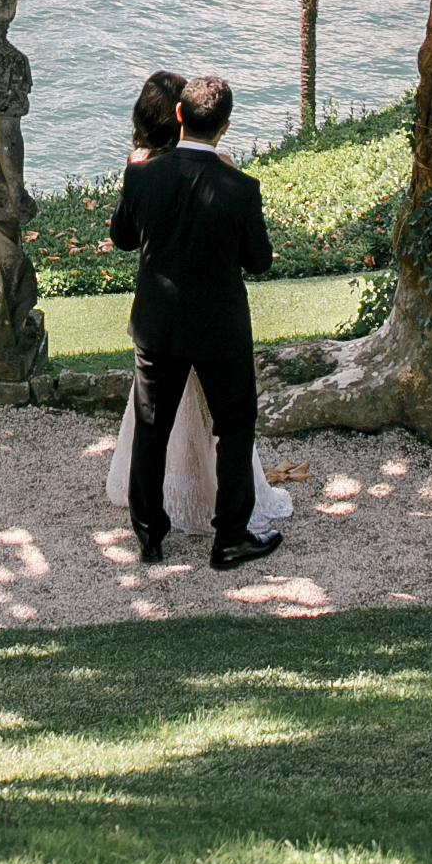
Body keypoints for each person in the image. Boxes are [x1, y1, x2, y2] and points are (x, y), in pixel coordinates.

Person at [106, 71, 284, 571]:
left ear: (180, 115)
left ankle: (149, 536)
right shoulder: (240, 187)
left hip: (158, 325)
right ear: (224, 127)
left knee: (151, 427)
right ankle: (229, 538)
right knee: (235, 426)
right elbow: (260, 261)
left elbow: (122, 237)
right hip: (219, 329)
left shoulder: (142, 175)